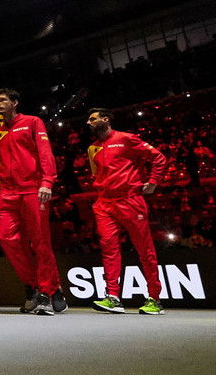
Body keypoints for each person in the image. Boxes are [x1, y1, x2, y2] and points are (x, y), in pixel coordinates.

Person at [85, 108, 169, 315]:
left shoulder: (126, 139)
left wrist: (153, 182)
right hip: (104, 204)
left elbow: (159, 158)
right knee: (109, 250)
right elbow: (97, 175)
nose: (89, 122)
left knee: (144, 249)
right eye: (88, 119)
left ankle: (155, 299)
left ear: (106, 119)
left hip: (130, 200)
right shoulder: (92, 148)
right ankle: (113, 297)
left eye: (93, 119)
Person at [0, 88, 62, 315]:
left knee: (40, 242)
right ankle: (36, 285)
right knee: (4, 236)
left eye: (3, 100)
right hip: (8, 192)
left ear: (15, 102)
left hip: (33, 189)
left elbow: (44, 151)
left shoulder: (32, 122)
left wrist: (47, 181)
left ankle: (46, 293)